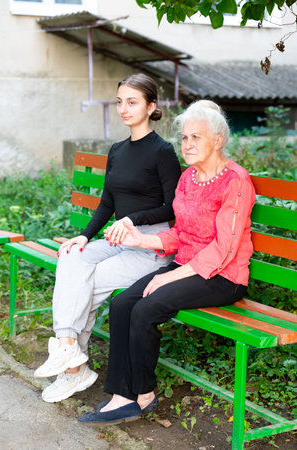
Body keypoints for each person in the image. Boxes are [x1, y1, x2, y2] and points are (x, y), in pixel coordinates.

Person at [78, 99, 256, 425]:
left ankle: (143, 394)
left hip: (223, 276)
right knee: (122, 305)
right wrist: (142, 240)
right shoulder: (188, 179)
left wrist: (166, 277)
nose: (187, 144)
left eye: (196, 137)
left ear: (217, 140)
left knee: (145, 309)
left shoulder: (236, 182)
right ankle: (121, 395)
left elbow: (222, 250)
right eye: (184, 138)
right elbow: (180, 233)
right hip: (186, 265)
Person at [34, 73, 181, 403]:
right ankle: (69, 351)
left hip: (150, 246)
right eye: (120, 102)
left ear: (151, 106)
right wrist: (84, 237)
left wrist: (133, 220)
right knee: (72, 258)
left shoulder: (163, 152)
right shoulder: (116, 151)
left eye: (132, 102)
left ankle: (72, 369)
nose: (124, 109)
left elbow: (172, 207)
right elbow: (107, 203)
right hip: (118, 240)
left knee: (88, 280)